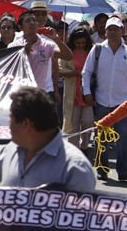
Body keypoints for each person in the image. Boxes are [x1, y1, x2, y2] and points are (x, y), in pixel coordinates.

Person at [0, 87, 96, 192]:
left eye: (10, 118)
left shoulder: (75, 169)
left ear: (26, 124)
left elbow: (83, 228)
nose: (8, 125)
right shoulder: (13, 150)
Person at [82, 16, 127, 182]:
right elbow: (86, 72)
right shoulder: (97, 50)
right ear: (105, 32)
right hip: (101, 101)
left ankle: (123, 171)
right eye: (110, 29)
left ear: (122, 31)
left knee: (124, 137)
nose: (113, 32)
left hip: (122, 104)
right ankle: (102, 169)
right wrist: (87, 93)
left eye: (116, 29)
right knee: (101, 138)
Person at [9, 10, 72, 101]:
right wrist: (23, 52)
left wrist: (57, 39)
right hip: (22, 95)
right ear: (20, 27)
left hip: (41, 95)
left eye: (34, 20)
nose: (32, 23)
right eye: (28, 21)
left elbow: (68, 56)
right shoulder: (14, 46)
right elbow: (10, 70)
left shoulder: (47, 44)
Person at [59, 27, 94, 155]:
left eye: (83, 43)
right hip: (72, 92)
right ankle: (74, 151)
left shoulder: (92, 51)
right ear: (73, 41)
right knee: (72, 123)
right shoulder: (67, 53)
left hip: (87, 92)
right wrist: (74, 73)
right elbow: (59, 69)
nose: (81, 45)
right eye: (78, 43)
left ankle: (85, 144)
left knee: (88, 120)